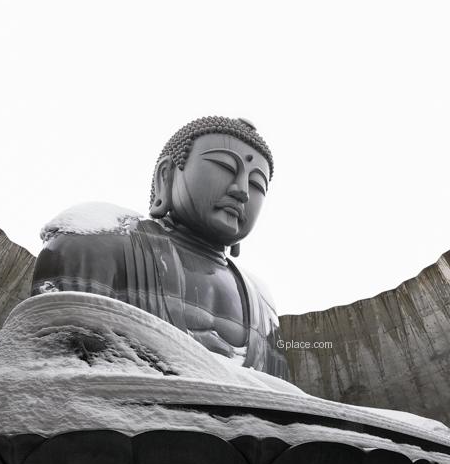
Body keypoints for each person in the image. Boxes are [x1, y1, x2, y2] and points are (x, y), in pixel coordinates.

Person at [30, 115, 289, 379]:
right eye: (224, 166)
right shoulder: (96, 242)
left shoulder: (263, 306)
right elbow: (54, 373)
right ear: (166, 175)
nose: (242, 190)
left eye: (257, 184)